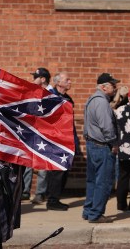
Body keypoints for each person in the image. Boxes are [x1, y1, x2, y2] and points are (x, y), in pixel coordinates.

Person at [82, 73, 119, 223]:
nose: (115, 88)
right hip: (102, 146)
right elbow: (107, 127)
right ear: (104, 87)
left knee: (92, 181)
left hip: (92, 144)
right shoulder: (102, 103)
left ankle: (88, 211)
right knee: (103, 182)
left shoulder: (92, 99)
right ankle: (96, 214)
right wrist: (114, 143)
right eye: (112, 85)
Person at [45, 72, 76, 211]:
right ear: (58, 83)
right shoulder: (51, 96)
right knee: (56, 171)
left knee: (63, 171)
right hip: (55, 139)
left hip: (66, 139)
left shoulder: (67, 98)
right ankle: (52, 201)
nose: (70, 81)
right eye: (67, 80)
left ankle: (55, 198)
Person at [22, 68, 52, 203]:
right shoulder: (33, 92)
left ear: (43, 79)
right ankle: (25, 191)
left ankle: (40, 193)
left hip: (45, 133)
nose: (33, 80)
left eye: (36, 77)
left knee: (42, 164)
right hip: (32, 131)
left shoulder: (51, 94)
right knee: (28, 162)